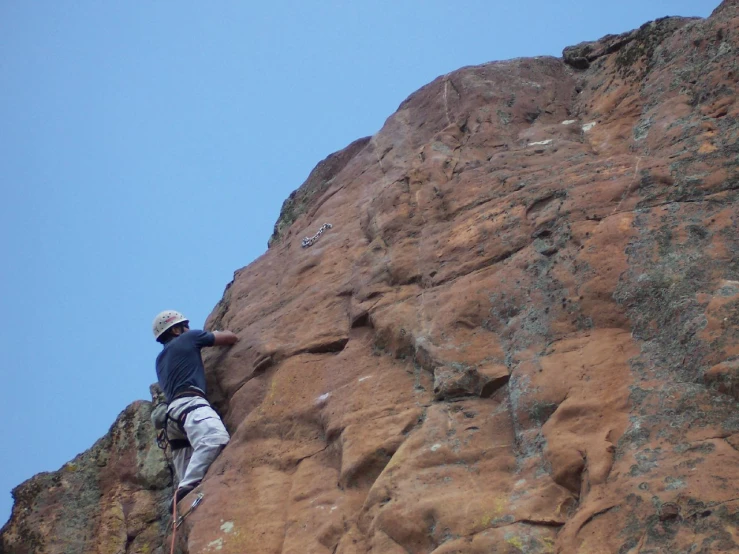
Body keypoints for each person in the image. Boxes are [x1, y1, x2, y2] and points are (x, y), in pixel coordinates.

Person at [152, 310, 239, 507]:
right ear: (176, 329)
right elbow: (230, 338)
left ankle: (184, 501)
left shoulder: (160, 361)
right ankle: (186, 486)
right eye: (185, 325)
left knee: (189, 486)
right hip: (190, 405)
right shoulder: (189, 338)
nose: (189, 329)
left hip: (172, 420)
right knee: (215, 439)